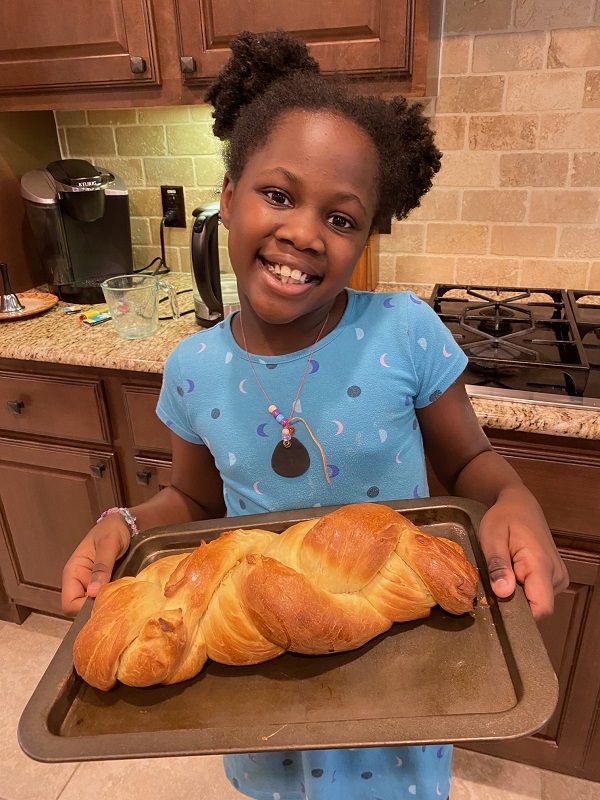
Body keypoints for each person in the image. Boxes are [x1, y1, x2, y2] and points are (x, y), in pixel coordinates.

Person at [62, 29, 569, 800]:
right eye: (277, 194)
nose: (304, 231)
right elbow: (194, 503)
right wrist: (125, 524)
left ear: (365, 237)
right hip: (260, 659)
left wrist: (514, 497)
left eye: (341, 218)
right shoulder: (194, 368)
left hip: (393, 661)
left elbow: (470, 464)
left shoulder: (403, 331)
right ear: (227, 200)